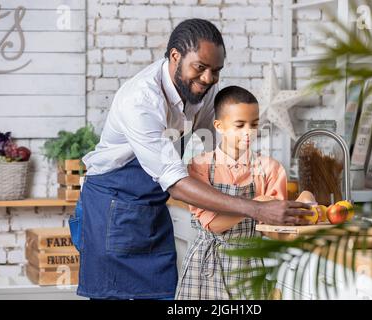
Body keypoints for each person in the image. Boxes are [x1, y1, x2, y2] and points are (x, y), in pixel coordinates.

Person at [70, 19, 310, 300]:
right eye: (200, 68)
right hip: (112, 209)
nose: (208, 78)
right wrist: (257, 209)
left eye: (216, 71)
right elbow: (175, 182)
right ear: (175, 56)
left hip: (150, 209)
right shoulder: (141, 100)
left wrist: (265, 176)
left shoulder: (198, 92)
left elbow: (223, 142)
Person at [175, 86, 297, 300]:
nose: (248, 132)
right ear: (219, 126)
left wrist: (300, 215)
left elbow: (274, 228)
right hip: (206, 266)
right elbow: (213, 224)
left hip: (248, 266)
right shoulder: (200, 166)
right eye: (239, 125)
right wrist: (257, 205)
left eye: (254, 124)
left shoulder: (270, 169)